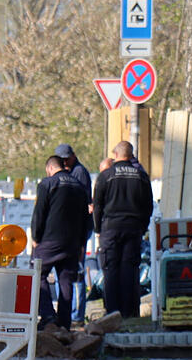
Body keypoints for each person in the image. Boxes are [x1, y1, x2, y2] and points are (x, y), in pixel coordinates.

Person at [92, 141, 153, 318]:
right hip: (133, 228)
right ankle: (130, 311)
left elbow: (97, 205)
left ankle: (112, 312)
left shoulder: (106, 176)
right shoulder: (141, 176)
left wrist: (98, 228)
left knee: (111, 270)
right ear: (131, 155)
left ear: (116, 155)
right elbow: (148, 205)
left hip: (110, 228)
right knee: (130, 270)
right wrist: (142, 226)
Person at [31, 155, 91, 331]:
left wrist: (35, 237)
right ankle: (65, 322)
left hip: (50, 240)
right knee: (66, 280)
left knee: (37, 274)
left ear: (50, 168)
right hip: (72, 242)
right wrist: (81, 243)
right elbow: (85, 217)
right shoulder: (79, 186)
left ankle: (48, 316)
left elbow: (39, 213)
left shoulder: (47, 184)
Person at [54, 143, 93, 326]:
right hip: (68, 231)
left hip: (76, 231)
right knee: (66, 273)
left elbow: (81, 206)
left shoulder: (79, 173)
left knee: (76, 273)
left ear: (73, 156)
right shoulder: (70, 172)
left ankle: (76, 315)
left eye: (66, 159)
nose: (64, 162)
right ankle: (68, 314)